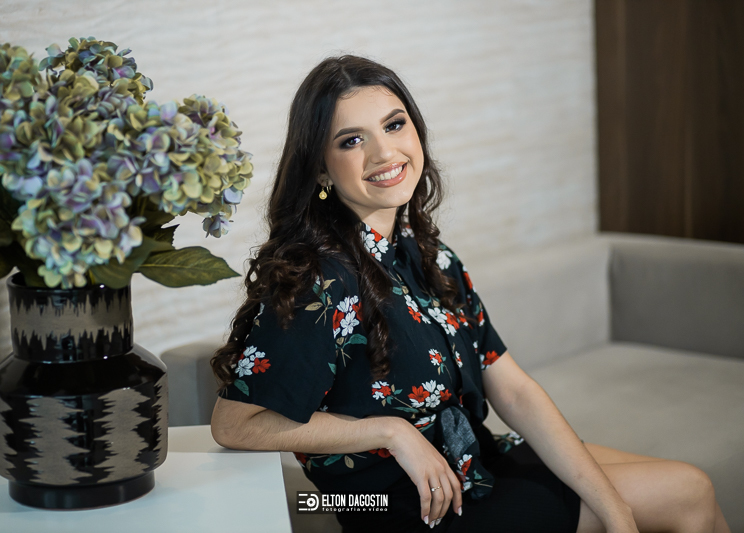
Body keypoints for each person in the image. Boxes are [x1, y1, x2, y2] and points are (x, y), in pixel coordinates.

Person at [210, 55, 730, 533]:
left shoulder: (429, 254)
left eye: (394, 125)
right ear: (321, 167)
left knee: (685, 483)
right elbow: (235, 424)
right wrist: (391, 432)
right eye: (351, 141)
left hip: (473, 460)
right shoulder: (319, 280)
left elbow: (513, 390)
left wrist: (617, 513)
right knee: (688, 492)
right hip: (404, 503)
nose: (384, 152)